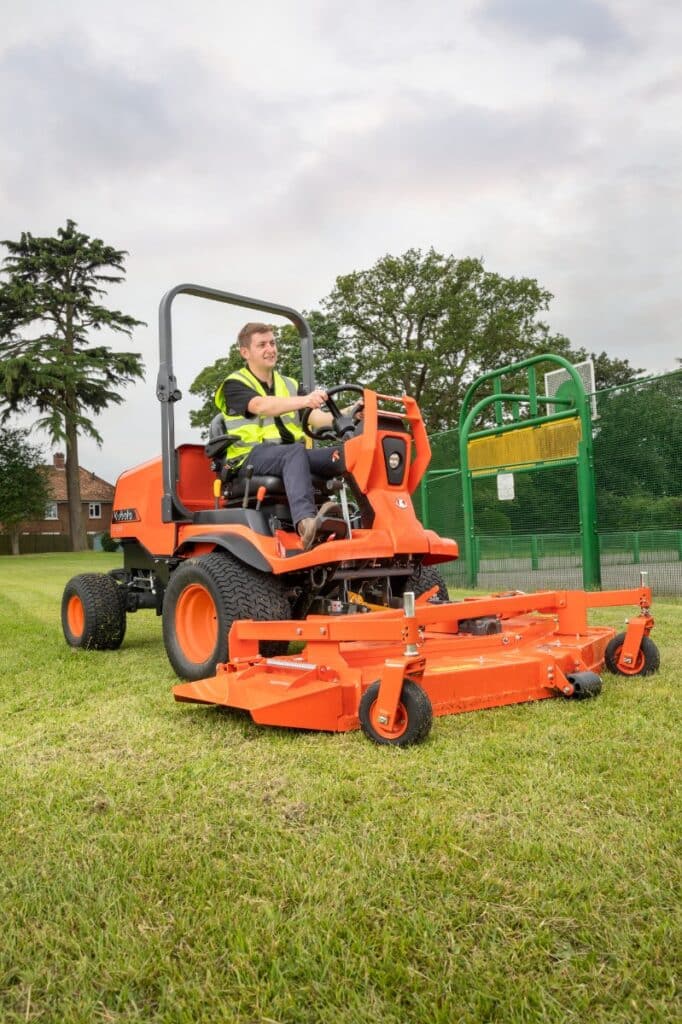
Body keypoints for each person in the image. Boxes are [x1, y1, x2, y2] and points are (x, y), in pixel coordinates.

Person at [215, 322, 356, 550]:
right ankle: (306, 524)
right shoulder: (235, 384)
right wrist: (305, 400)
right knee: (294, 452)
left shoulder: (289, 385)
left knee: (347, 454)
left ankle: (369, 521)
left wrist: (354, 412)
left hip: (290, 456)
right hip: (249, 457)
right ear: (245, 352)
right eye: (262, 345)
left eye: (272, 343)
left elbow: (318, 418)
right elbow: (261, 405)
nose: (270, 349)